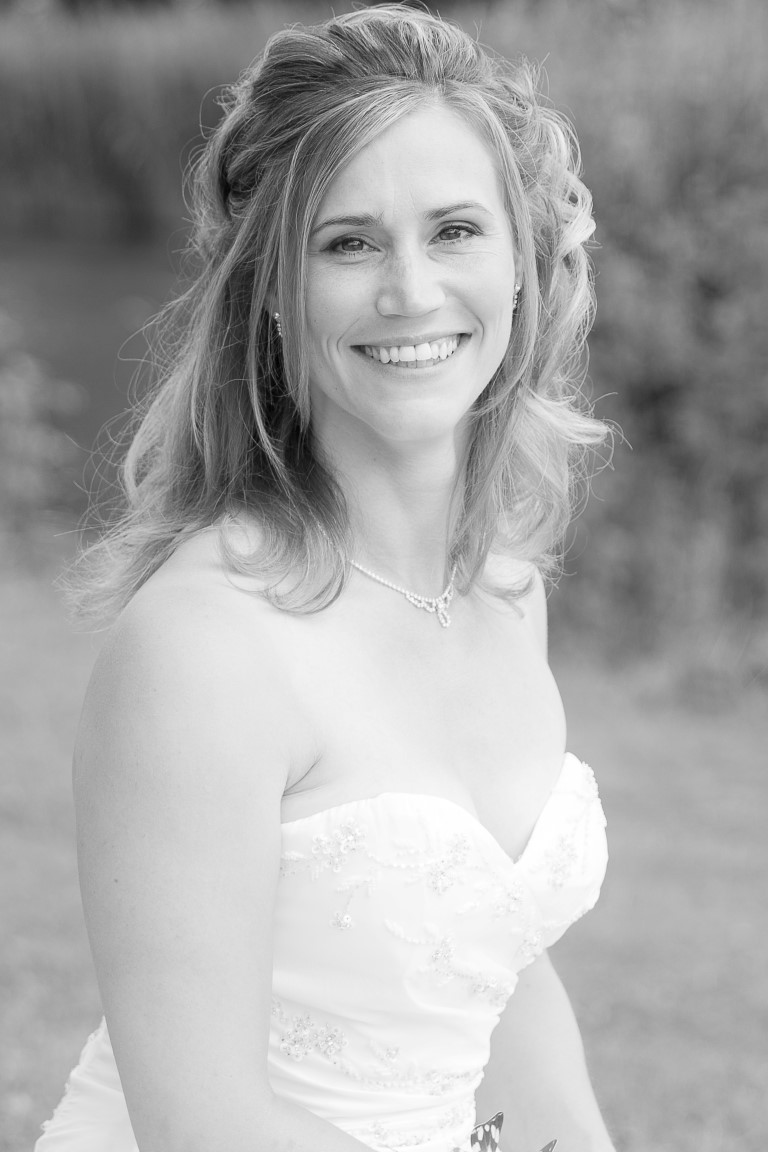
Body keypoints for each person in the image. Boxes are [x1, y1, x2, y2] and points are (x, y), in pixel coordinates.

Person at [36, 6, 616, 1151]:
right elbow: (202, 1125)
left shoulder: (502, 591)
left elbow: (494, 966)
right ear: (271, 287)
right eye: (348, 243)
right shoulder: (205, 648)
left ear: (521, 262)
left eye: (455, 231)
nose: (410, 291)